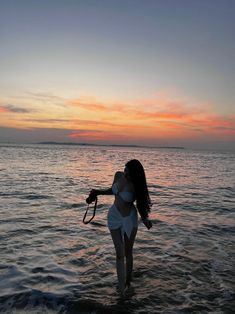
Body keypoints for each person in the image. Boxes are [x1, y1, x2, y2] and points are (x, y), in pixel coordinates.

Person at [87, 159, 152, 295]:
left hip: (129, 219)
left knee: (128, 252)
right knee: (119, 253)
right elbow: (112, 190)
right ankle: (121, 288)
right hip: (114, 215)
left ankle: (128, 282)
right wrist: (97, 192)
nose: (125, 175)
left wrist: (145, 218)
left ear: (135, 174)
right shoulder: (118, 175)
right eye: (125, 171)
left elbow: (140, 203)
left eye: (128, 173)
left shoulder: (136, 185)